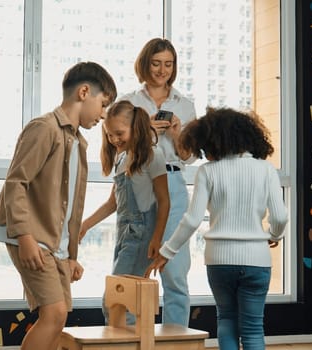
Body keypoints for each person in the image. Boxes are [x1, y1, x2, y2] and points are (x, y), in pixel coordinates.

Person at [0, 61, 117, 350]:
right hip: (30, 235)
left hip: (52, 240)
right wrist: (24, 237)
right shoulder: (44, 128)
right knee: (54, 313)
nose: (103, 114)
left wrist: (70, 255)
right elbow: (16, 183)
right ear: (84, 92)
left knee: (58, 317)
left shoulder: (78, 143)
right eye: (103, 103)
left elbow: (70, 206)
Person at [144, 108, 289, 350]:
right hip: (257, 259)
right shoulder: (265, 170)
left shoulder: (208, 172)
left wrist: (167, 252)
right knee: (253, 327)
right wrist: (274, 235)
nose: (205, 155)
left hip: (219, 260)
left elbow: (192, 219)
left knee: (227, 319)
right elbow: (281, 216)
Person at [118, 37, 196, 327]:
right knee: (132, 267)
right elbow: (116, 147)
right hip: (138, 183)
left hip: (174, 184)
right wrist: (144, 128)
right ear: (145, 63)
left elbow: (189, 157)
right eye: (156, 63)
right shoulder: (128, 102)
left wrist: (176, 134)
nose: (162, 70)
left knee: (174, 270)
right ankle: (126, 339)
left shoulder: (185, 105)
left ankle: (176, 340)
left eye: (168, 64)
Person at [79, 100, 170, 325]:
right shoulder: (121, 158)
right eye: (110, 135)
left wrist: (157, 238)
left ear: (136, 128)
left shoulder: (152, 155)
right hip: (124, 233)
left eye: (119, 133)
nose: (114, 139)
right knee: (119, 299)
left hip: (141, 235)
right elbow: (113, 203)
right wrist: (85, 224)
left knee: (118, 299)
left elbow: (164, 200)